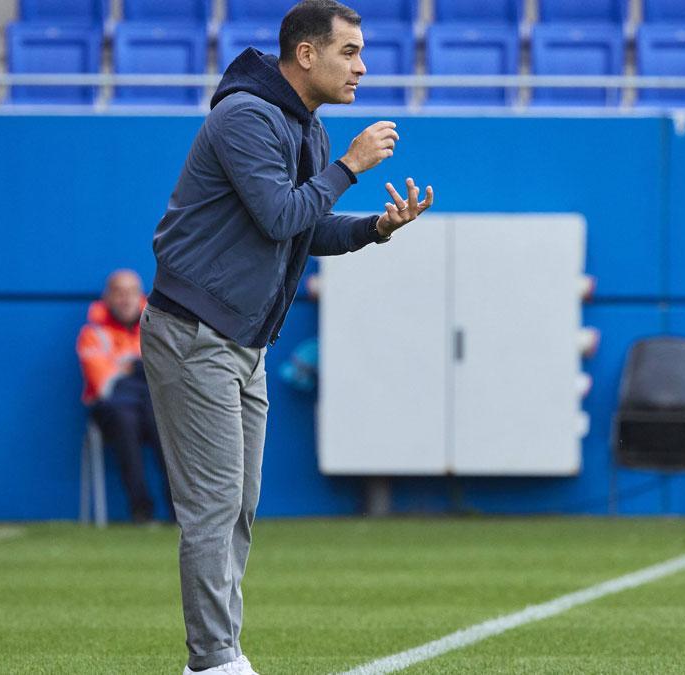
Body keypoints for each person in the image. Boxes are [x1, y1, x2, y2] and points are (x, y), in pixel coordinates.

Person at [139, 1, 433, 672]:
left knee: (236, 508)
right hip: (194, 335)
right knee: (213, 509)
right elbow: (279, 216)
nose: (362, 66)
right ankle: (215, 659)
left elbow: (305, 228)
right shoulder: (244, 117)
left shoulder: (308, 131)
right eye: (349, 51)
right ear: (306, 55)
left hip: (245, 345)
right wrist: (350, 168)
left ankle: (214, 654)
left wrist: (373, 228)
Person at [77, 269, 170, 524]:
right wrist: (138, 368)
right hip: (112, 410)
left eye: (131, 292)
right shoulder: (93, 334)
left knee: (162, 417)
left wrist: (130, 367)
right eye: (119, 293)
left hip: (151, 404)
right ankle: (141, 512)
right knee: (124, 418)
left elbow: (168, 373)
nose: (126, 299)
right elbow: (104, 383)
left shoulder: (157, 328)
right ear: (107, 298)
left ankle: (180, 514)